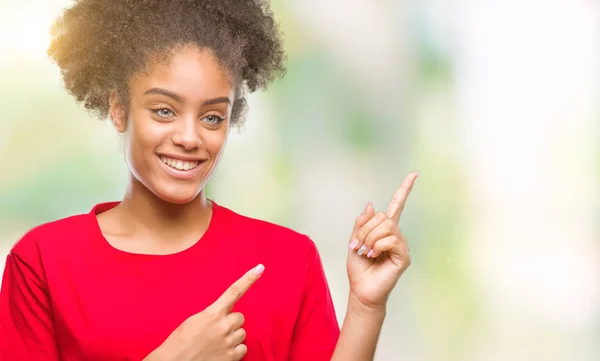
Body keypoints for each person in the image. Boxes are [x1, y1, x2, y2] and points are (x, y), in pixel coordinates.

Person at [0, 1, 418, 360]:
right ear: (119, 109)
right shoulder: (44, 262)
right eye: (163, 110)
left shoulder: (287, 260)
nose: (188, 138)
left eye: (212, 116)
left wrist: (366, 306)